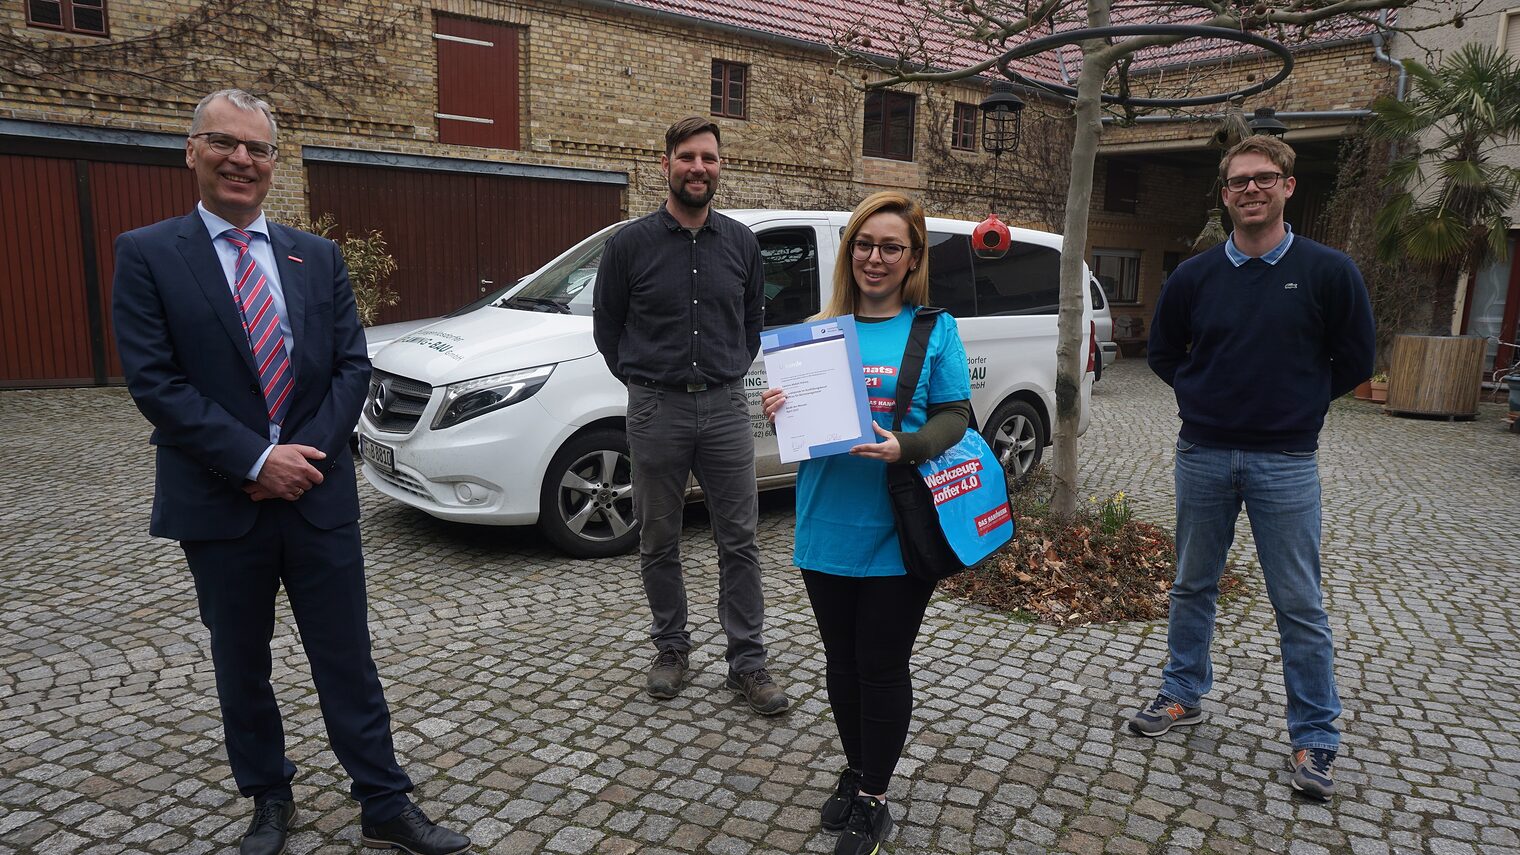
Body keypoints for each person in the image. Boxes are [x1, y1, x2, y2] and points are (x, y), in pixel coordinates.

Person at [112, 89, 470, 855]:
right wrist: (251, 458)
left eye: (258, 148)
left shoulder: (317, 256)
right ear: (192, 150)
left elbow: (351, 364)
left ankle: (383, 799)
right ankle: (268, 797)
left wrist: (297, 460)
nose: (242, 158)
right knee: (241, 662)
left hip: (315, 496)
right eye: (224, 142)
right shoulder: (147, 254)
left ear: (275, 163)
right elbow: (155, 382)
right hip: (219, 500)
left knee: (347, 656)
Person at [1132, 135, 1374, 801]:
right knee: (1191, 583)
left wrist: (1297, 400)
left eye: (1265, 178)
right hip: (1203, 452)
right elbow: (1161, 351)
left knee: (1298, 601)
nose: (1251, 190)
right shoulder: (1195, 276)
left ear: (1288, 186)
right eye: (1239, 181)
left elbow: (1356, 357)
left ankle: (1316, 736)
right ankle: (1182, 693)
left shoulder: (1329, 272)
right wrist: (1205, 393)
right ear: (1225, 192)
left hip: (1286, 461)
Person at [761, 192, 972, 855]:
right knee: (841, 665)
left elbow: (955, 415)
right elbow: (799, 425)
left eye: (890, 247)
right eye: (863, 243)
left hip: (897, 526)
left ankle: (875, 797)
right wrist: (779, 410)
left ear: (912, 259)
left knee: (881, 665)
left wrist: (903, 446)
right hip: (825, 521)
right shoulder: (817, 330)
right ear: (849, 251)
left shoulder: (933, 328)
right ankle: (857, 768)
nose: (874, 257)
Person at [591, 116, 789, 716]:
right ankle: (671, 649)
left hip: (727, 405)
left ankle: (748, 662)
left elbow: (751, 322)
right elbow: (608, 330)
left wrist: (728, 368)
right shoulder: (629, 245)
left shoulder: (741, 244)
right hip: (657, 406)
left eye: (708, 157)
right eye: (686, 157)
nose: (698, 168)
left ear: (719, 165)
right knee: (658, 537)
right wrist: (646, 383)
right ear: (666, 165)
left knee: (741, 540)